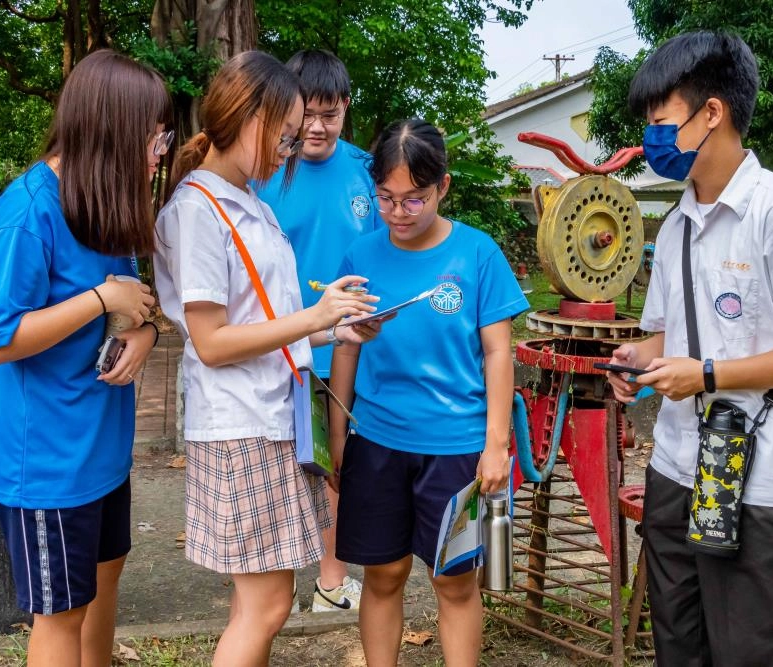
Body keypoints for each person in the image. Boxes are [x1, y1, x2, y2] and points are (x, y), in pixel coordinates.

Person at [606, 31, 773, 666]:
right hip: (677, 465)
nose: (652, 138)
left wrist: (708, 374)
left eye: (661, 121)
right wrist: (637, 360)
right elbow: (666, 333)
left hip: (762, 477)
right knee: (678, 646)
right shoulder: (678, 221)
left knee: (753, 651)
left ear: (709, 112)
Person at [153, 50, 379, 666]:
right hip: (239, 425)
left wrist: (335, 331)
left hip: (269, 416)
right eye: (281, 132)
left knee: (257, 604)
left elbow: (261, 324)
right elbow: (212, 341)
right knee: (268, 604)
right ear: (246, 116)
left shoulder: (244, 199)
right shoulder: (199, 210)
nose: (289, 147)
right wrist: (315, 318)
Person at [0, 50, 169, 667]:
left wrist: (146, 334)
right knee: (60, 616)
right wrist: (99, 298)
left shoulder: (103, 201)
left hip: (100, 453)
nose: (159, 151)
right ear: (114, 129)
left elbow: (132, 305)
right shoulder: (28, 211)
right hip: (46, 463)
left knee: (102, 587)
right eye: (154, 135)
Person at [328, 118, 529, 666]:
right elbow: (346, 348)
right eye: (386, 199)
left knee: (455, 581)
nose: (398, 213)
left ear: (442, 187)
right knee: (384, 573)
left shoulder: (478, 253)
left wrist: (496, 445)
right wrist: (338, 429)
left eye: (414, 200)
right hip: (377, 440)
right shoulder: (361, 257)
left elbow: (497, 353)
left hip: (457, 447)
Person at [256, 49, 381, 613]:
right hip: (281, 345)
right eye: (307, 113)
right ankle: (272, 585)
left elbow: (388, 247)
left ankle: (332, 580)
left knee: (339, 463)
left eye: (329, 114)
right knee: (279, 468)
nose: (317, 127)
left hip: (350, 347)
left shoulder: (366, 170)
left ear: (345, 108)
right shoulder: (265, 171)